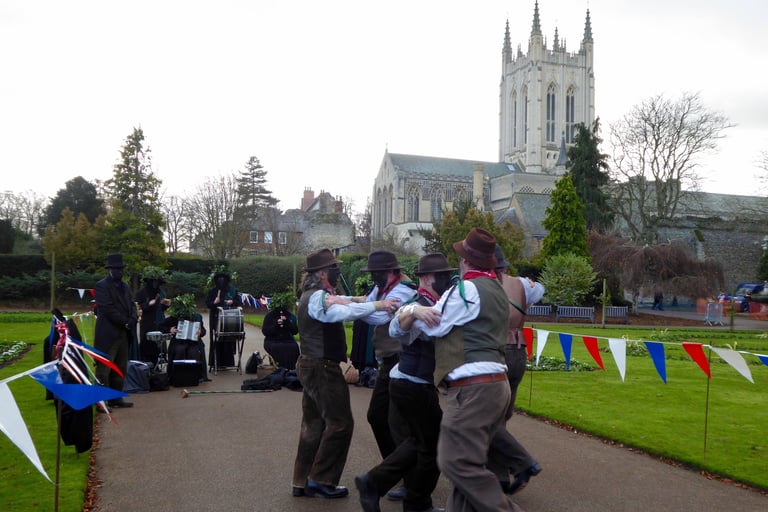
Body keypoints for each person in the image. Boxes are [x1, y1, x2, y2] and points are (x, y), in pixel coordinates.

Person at [390, 228, 523, 511]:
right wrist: (413, 311)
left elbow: (431, 326)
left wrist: (410, 311)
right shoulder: (496, 289)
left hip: (473, 388)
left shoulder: (464, 289)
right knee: (469, 464)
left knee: (453, 461)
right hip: (495, 385)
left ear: (465, 261)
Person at [292, 248, 399, 500]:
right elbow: (341, 312)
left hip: (311, 364)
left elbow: (342, 301)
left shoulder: (313, 295)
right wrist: (378, 304)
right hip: (322, 367)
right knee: (340, 423)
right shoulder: (319, 297)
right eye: (333, 268)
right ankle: (321, 480)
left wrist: (361, 300)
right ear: (322, 273)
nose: (337, 271)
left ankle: (301, 480)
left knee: (313, 423)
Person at [356, 253, 455, 512]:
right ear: (426, 278)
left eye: (447, 275)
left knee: (421, 441)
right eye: (442, 275)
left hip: (413, 382)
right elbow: (394, 327)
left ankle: (385, 487)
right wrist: (412, 311)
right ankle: (389, 489)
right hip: (412, 384)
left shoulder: (435, 301)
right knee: (431, 443)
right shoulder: (418, 302)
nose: (447, 279)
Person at [488, 245, 544, 495]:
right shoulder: (522, 284)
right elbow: (540, 290)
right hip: (518, 353)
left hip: (496, 352)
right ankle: (501, 473)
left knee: (488, 418)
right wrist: (530, 283)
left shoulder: (480, 286)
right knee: (501, 417)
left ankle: (515, 466)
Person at [359, 250, 419, 465]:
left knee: (398, 420)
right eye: (372, 273)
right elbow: (368, 303)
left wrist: (352, 308)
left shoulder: (403, 291)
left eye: (377, 273)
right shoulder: (383, 288)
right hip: (387, 361)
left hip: (401, 359)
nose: (373, 277)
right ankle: (394, 465)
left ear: (392, 272)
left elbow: (376, 317)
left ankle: (404, 469)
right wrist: (355, 304)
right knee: (377, 416)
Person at [94, 253, 138, 410]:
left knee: (120, 367)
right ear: (110, 269)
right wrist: (125, 322)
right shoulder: (101, 286)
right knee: (104, 369)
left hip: (123, 333)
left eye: (121, 268)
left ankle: (116, 398)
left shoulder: (125, 286)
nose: (120, 271)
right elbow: (107, 309)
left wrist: (133, 318)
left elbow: (132, 304)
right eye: (116, 269)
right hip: (108, 333)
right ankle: (101, 401)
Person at [205, 269, 243, 369]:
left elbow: (238, 302)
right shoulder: (213, 291)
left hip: (229, 318)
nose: (221, 282)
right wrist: (214, 302)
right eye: (219, 280)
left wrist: (232, 302)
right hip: (216, 318)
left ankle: (227, 362)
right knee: (216, 339)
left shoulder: (233, 290)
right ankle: (215, 363)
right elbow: (208, 304)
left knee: (228, 339)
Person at [134, 266, 171, 365]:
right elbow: (138, 307)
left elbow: (160, 308)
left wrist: (166, 305)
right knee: (146, 343)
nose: (155, 284)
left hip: (158, 322)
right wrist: (147, 304)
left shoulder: (160, 293)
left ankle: (157, 363)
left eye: (157, 282)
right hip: (147, 323)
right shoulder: (141, 293)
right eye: (153, 281)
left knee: (157, 345)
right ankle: (146, 364)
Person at [261, 294, 300, 370]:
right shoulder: (270, 316)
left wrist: (287, 322)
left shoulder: (290, 316)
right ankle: (278, 368)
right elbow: (265, 331)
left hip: (287, 339)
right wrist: (276, 324)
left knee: (294, 347)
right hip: (272, 340)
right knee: (277, 348)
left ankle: (291, 369)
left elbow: (295, 331)